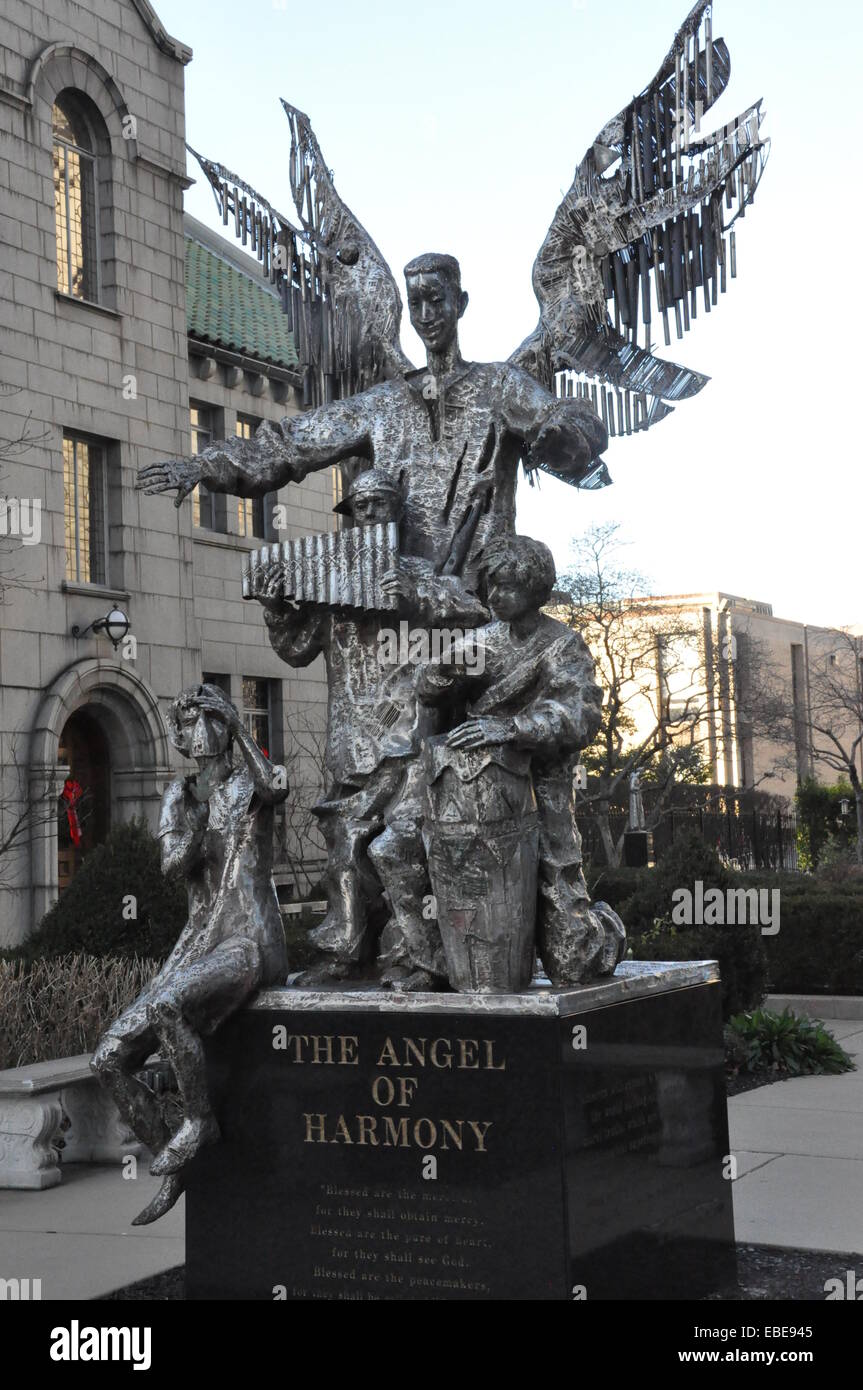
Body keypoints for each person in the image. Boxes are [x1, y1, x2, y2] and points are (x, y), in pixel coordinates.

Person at [137, 252, 607, 601]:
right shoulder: (384, 404)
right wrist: (207, 464)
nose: (426, 316)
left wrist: (565, 432)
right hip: (397, 593)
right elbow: (292, 444)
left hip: (481, 597)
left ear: (460, 303)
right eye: (416, 303)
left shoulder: (501, 386)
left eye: (436, 300)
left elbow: (572, 420)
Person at [254, 468, 486, 989]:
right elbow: (295, 650)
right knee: (344, 852)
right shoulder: (331, 584)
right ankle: (345, 950)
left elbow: (475, 614)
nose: (371, 515)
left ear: (398, 512)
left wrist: (415, 597)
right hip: (347, 742)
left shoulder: (417, 573)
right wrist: (274, 610)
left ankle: (415, 958)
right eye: (361, 507)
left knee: (404, 853)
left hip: (406, 736)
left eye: (381, 504)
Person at [90, 684, 289, 1225]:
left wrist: (243, 725)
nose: (200, 737)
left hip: (248, 939)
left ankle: (200, 1121)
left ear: (226, 729)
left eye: (212, 723)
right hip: (199, 941)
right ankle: (175, 1165)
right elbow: (171, 866)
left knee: (165, 1007)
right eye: (191, 726)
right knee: (108, 1056)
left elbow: (275, 786)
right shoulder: (181, 795)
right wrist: (197, 827)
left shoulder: (250, 781)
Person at [419, 535, 626, 985]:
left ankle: (601, 929)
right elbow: (428, 686)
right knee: (414, 855)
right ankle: (430, 958)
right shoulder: (479, 641)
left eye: (508, 586)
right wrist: (437, 677)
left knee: (574, 963)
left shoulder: (563, 645)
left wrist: (513, 729)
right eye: (491, 585)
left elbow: (578, 713)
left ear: (535, 589)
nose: (496, 596)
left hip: (541, 784)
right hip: (470, 788)